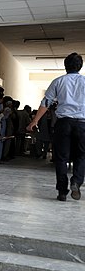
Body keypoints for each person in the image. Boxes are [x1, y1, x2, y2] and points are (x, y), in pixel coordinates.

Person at [27, 52, 85, 202]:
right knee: (82, 155)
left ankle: (62, 191)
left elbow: (46, 102)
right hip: (82, 124)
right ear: (80, 66)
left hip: (63, 123)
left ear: (65, 66)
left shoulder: (58, 81)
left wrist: (35, 121)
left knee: (61, 157)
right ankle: (76, 182)